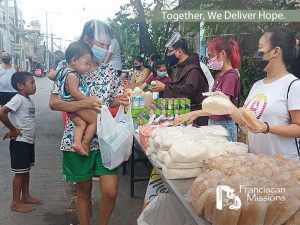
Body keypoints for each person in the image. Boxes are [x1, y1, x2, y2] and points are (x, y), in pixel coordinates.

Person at [49, 20, 129, 225]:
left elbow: (112, 98)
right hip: (78, 136)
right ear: (87, 40)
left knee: (110, 192)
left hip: (105, 139)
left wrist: (120, 100)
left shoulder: (110, 72)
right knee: (83, 192)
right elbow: (55, 103)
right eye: (101, 45)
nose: (105, 49)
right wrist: (84, 104)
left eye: (107, 45)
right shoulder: (68, 69)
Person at [175, 37, 241, 141]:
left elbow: (220, 107)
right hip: (213, 123)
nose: (209, 60)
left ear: (222, 54)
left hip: (224, 126)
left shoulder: (231, 76)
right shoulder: (220, 75)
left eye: (211, 56)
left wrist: (194, 113)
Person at [0, 71, 43, 213]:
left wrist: (13, 127)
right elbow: (2, 112)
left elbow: (19, 118)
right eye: (32, 82)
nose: (35, 86)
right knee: (20, 172)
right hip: (20, 142)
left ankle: (26, 196)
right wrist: (12, 129)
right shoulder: (17, 98)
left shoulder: (27, 100)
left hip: (28, 141)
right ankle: (15, 202)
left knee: (25, 170)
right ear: (20, 86)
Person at [151, 33, 209, 126]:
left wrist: (165, 88)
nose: (169, 55)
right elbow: (177, 86)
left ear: (179, 51)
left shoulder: (193, 69)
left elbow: (189, 90)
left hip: (194, 115)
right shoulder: (179, 67)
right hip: (182, 112)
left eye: (170, 51)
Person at [56, 41, 95, 156]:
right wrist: (88, 101)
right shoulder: (72, 75)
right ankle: (86, 142)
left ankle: (77, 143)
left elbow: (53, 75)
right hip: (77, 106)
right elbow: (75, 93)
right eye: (87, 63)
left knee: (81, 124)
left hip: (71, 109)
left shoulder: (64, 72)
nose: (88, 67)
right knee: (94, 122)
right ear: (74, 61)